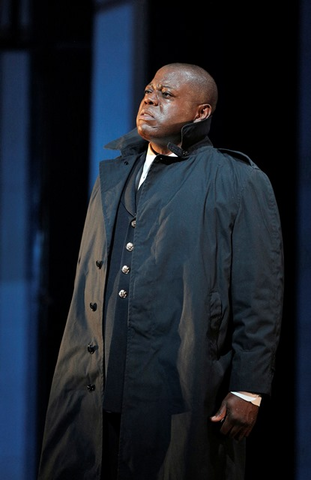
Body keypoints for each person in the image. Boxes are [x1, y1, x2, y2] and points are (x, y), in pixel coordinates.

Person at [37, 62, 284, 480]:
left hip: (180, 380)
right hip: (95, 379)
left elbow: (259, 290)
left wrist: (249, 388)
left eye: (166, 94)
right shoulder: (115, 175)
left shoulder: (237, 180)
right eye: (149, 90)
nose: (150, 98)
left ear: (201, 112)